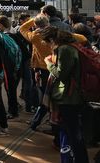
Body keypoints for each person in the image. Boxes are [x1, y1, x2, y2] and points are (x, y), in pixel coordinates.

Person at [40, 26, 89, 163]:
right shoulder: (71, 46)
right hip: (71, 96)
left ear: (51, 39)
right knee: (73, 132)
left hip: (68, 97)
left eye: (47, 43)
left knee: (74, 134)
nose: (48, 46)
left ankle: (79, 159)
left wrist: (48, 63)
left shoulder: (65, 49)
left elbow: (61, 74)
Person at [0, 15, 22, 119]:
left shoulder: (4, 37)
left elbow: (13, 53)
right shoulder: (12, 35)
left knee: (10, 90)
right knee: (12, 90)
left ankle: (12, 111)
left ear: (0, 25)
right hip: (15, 67)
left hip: (9, 68)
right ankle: (13, 110)